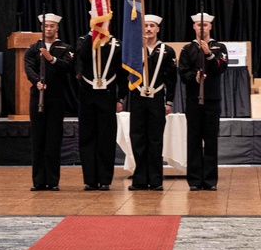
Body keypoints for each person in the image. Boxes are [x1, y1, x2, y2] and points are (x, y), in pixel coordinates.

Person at [178, 12, 228, 191]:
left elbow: (221, 68)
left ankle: (210, 180)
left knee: (211, 140)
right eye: (199, 25)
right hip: (193, 100)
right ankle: (194, 180)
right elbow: (183, 74)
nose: (202, 28)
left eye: (205, 25)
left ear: (210, 27)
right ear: (194, 27)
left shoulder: (219, 47)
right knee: (193, 139)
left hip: (212, 100)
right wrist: (195, 77)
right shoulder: (187, 49)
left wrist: (208, 55)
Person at [24, 13, 73, 191]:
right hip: (38, 96)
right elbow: (28, 67)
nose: (49, 29)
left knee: (53, 139)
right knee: (38, 139)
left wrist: (51, 59)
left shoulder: (64, 48)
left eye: (52, 26)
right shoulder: (33, 48)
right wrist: (36, 81)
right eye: (46, 26)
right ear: (42, 28)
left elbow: (68, 67)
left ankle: (52, 181)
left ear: (57, 28)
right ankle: (38, 181)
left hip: (56, 98)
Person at [127, 14, 177, 191]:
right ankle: (139, 179)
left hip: (156, 98)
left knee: (155, 140)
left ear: (158, 29)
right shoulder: (133, 49)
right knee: (138, 138)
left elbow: (171, 79)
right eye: (146, 26)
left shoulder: (167, 50)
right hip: (138, 97)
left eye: (152, 26)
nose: (148, 29)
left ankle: (156, 180)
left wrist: (169, 101)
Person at [74, 31, 126, 191]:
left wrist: (120, 97)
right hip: (88, 95)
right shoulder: (84, 40)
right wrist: (92, 34)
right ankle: (90, 180)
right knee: (87, 137)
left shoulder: (116, 44)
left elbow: (122, 72)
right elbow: (82, 56)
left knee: (106, 137)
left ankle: (104, 179)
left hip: (108, 95)